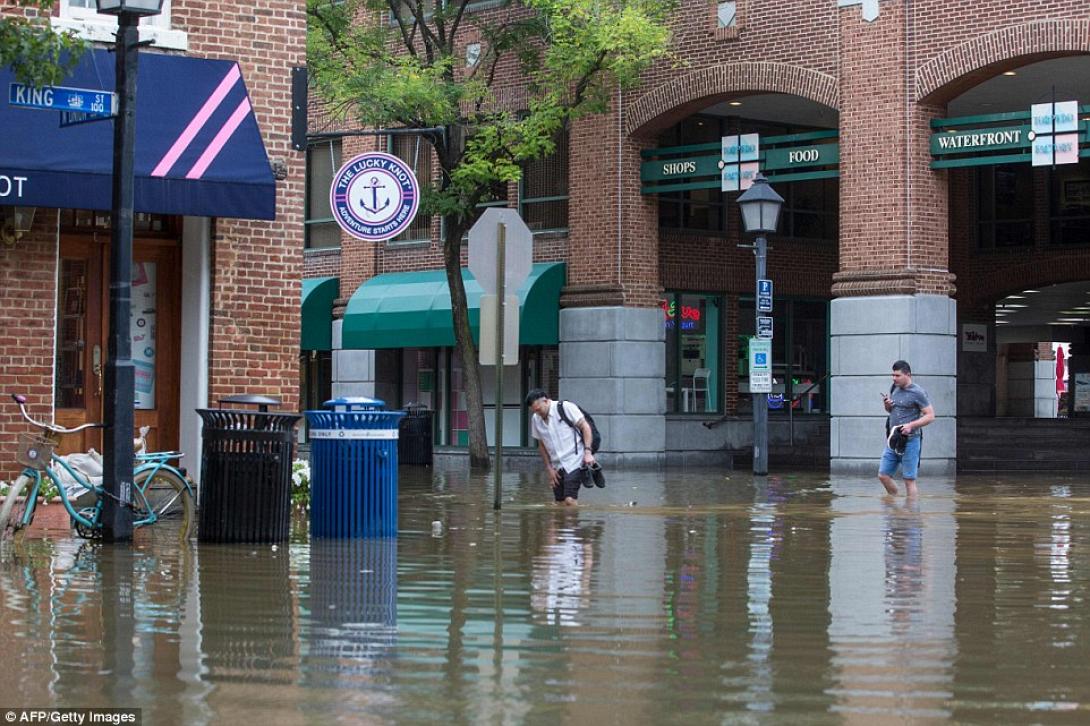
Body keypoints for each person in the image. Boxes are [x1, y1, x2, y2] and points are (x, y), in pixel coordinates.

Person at [527, 389, 597, 506]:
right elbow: (541, 445)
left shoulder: (565, 407)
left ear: (546, 401)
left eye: (539, 410)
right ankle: (564, 518)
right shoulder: (536, 418)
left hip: (575, 460)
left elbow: (585, 427)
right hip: (556, 465)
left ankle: (572, 518)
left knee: (569, 500)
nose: (538, 413)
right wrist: (549, 468)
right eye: (534, 411)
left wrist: (588, 452)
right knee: (559, 502)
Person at [878, 360, 935, 498]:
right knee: (883, 475)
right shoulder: (894, 388)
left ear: (908, 375)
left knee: (909, 480)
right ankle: (894, 501)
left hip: (911, 440)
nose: (894, 378)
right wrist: (887, 405)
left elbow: (930, 416)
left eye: (897, 375)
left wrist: (910, 426)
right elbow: (890, 411)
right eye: (893, 375)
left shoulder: (918, 393)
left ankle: (911, 509)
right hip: (893, 439)